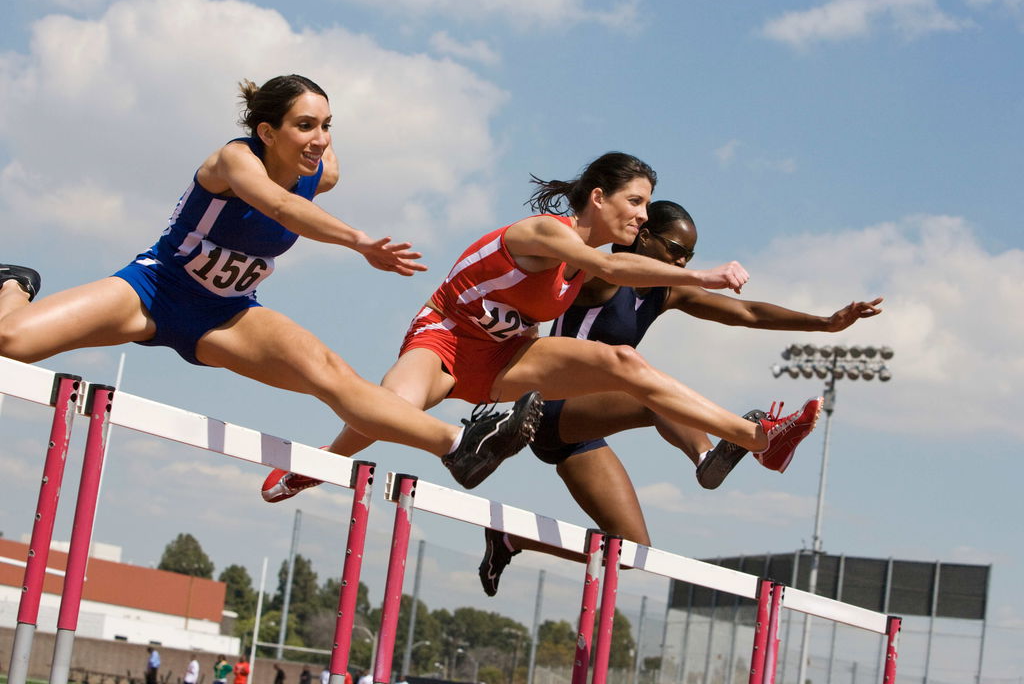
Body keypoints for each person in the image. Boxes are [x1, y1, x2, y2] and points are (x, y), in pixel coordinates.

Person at [0, 75, 540, 490]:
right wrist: (359, 242)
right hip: (154, 290)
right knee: (10, 345)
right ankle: (15, 286)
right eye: (306, 126)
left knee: (335, 378)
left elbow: (305, 180)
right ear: (266, 132)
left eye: (328, 126)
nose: (320, 139)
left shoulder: (321, 170)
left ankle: (462, 442)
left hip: (227, 313)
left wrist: (317, 130)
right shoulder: (234, 158)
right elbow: (280, 206)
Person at [263, 152, 820, 502]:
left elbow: (615, 267)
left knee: (624, 363)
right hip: (447, 337)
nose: (644, 216)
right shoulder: (546, 233)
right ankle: (317, 465)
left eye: (647, 207)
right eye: (637, 202)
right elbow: (612, 267)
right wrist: (705, 275)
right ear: (598, 197)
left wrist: (821, 320)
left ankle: (757, 439)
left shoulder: (591, 254)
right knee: (389, 408)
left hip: (510, 355)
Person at [476, 199, 884, 595]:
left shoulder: (665, 292)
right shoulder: (602, 276)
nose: (682, 264)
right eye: (675, 251)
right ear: (644, 236)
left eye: (689, 256)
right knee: (646, 385)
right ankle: (710, 456)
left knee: (633, 550)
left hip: (578, 432)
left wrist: (825, 324)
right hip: (548, 407)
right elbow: (577, 264)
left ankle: (512, 540)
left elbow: (747, 313)